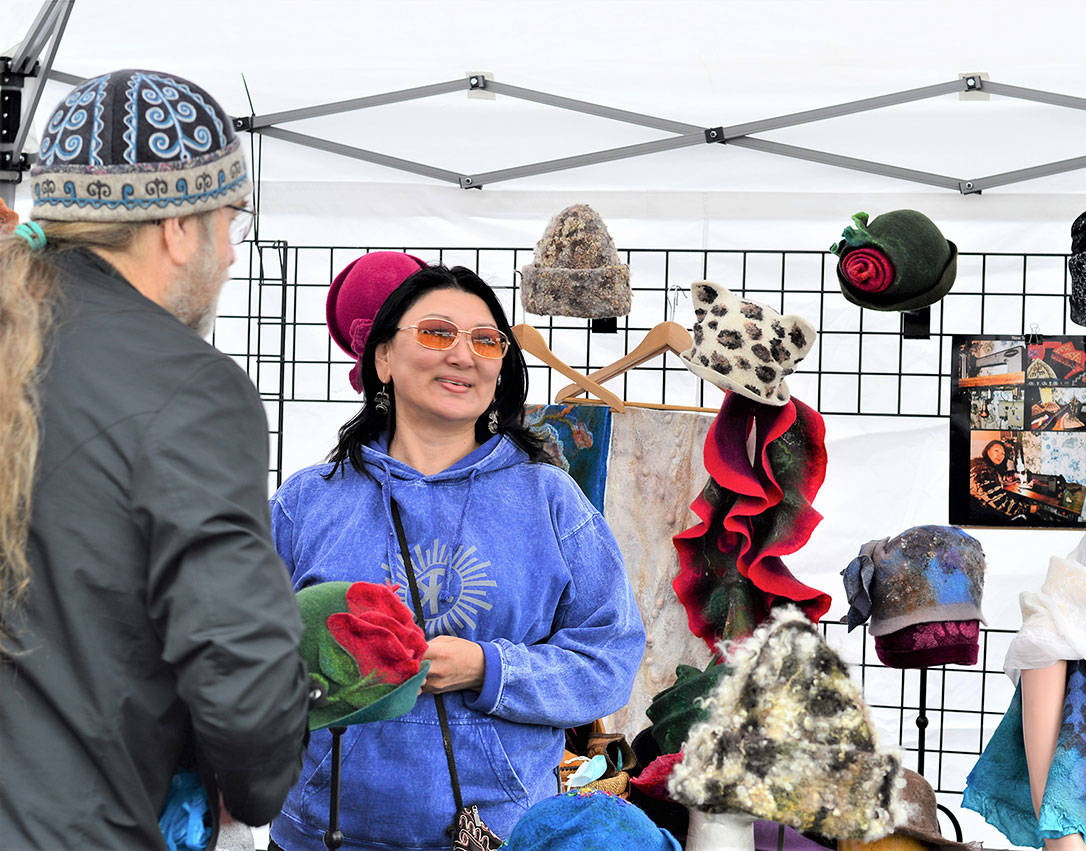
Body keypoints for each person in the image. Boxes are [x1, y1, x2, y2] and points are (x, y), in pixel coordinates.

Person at [0, 69, 311, 849]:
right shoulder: (190, 387)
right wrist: (254, 779)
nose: (233, 253)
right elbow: (245, 682)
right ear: (177, 226)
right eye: (231, 218)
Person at [267, 260, 646, 851]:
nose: (462, 355)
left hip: (498, 833)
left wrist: (487, 668)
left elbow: (609, 661)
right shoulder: (309, 501)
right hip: (322, 833)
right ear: (382, 360)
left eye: (485, 340)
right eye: (437, 333)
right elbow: (239, 654)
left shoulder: (549, 499)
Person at [968, 438, 1031, 522]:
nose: (1000, 455)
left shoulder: (984, 467)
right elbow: (1004, 505)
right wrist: (1029, 508)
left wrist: (1015, 476)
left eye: (1003, 453)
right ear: (987, 450)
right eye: (996, 451)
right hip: (981, 517)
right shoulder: (982, 473)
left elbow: (998, 478)